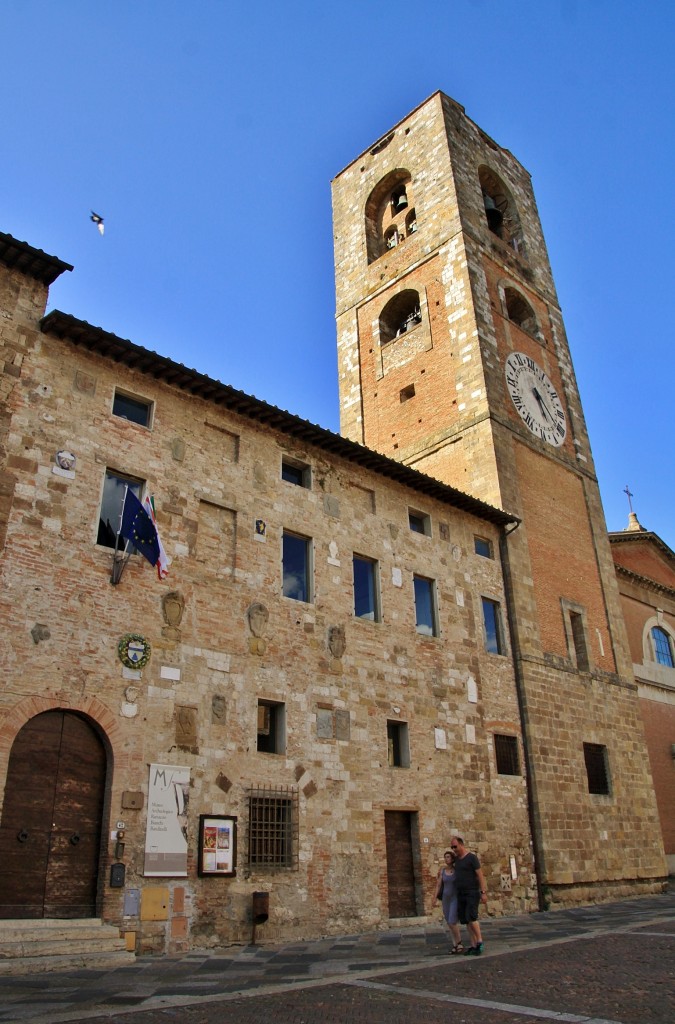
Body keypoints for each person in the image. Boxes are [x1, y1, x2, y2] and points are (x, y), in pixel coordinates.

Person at [450, 835, 487, 955]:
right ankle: (473, 945)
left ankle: (480, 941)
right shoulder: (457, 860)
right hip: (461, 893)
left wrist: (483, 892)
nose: (454, 849)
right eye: (452, 847)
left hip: (472, 892)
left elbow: (480, 876)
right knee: (466, 920)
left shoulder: (472, 858)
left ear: (461, 845)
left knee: (472, 917)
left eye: (455, 846)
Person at [435, 849, 463, 953]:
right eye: (445, 857)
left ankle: (459, 942)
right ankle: (454, 944)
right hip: (445, 899)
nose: (446, 859)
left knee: (452, 921)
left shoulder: (456, 871)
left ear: (452, 859)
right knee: (449, 921)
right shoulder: (442, 871)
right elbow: (438, 885)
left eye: (448, 857)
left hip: (454, 898)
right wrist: (434, 897)